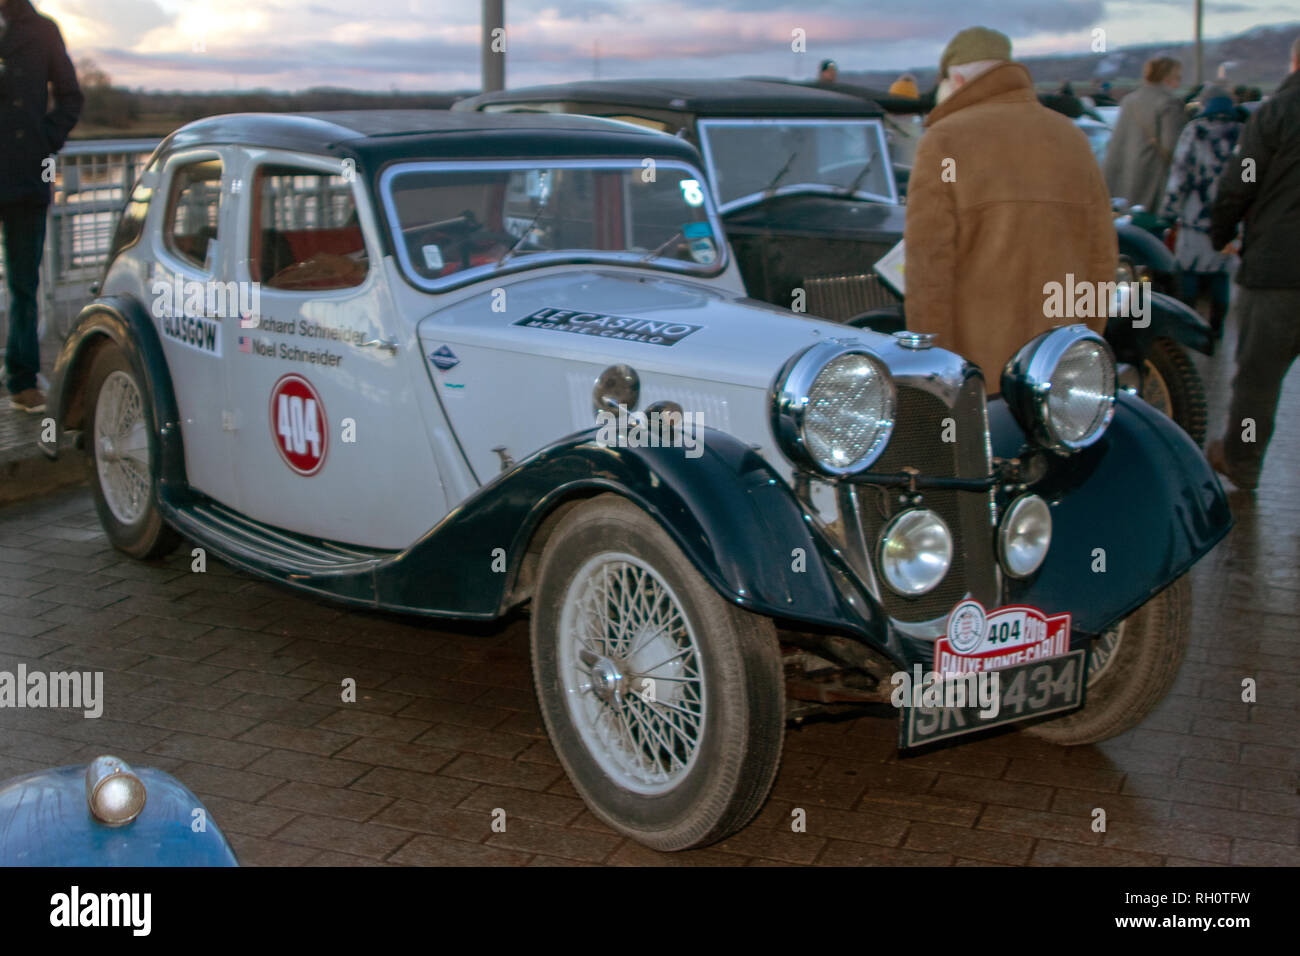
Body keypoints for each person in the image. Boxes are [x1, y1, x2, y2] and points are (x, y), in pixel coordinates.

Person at [904, 27, 1116, 387]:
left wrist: (934, 363)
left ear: (955, 78)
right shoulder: (1070, 136)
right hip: (1060, 363)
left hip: (978, 368)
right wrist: (1084, 338)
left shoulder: (945, 139)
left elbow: (929, 267)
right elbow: (1102, 257)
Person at [1205, 35, 1300, 491]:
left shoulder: (1275, 113)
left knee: (1258, 381)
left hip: (1276, 271)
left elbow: (1242, 178)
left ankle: (1242, 462)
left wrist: (1221, 232)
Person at [0, 0, 82, 413]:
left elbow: (71, 96)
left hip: (25, 175)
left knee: (23, 284)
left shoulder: (42, 29)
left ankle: (22, 381)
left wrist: (43, 139)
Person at [1157, 85, 1242, 342]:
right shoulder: (1243, 133)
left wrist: (1169, 210)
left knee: (1190, 269)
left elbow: (1180, 175)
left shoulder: (1194, 131)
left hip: (1196, 215)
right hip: (1229, 218)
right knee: (1221, 270)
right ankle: (1216, 328)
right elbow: (1249, 173)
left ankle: (1190, 326)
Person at [1103, 56, 1186, 210]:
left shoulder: (1129, 100)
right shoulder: (1170, 102)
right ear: (1167, 77)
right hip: (1153, 181)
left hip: (1123, 184)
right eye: (1178, 77)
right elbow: (1173, 147)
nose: (1179, 82)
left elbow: (1116, 143)